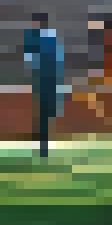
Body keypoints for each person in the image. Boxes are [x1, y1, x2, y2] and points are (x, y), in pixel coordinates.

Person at [22, 12, 66, 158]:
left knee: (47, 112)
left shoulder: (48, 37)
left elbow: (56, 59)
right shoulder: (33, 37)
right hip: (42, 79)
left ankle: (44, 146)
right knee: (43, 113)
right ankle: (43, 147)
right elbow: (29, 59)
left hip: (48, 78)